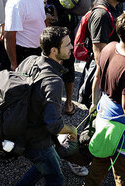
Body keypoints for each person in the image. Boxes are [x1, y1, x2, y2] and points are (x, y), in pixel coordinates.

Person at [85, 12, 125, 185]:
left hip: (105, 117)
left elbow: (97, 79)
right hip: (123, 130)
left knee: (100, 163)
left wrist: (94, 106)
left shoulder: (109, 47)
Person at [16, 26, 82, 185]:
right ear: (54, 50)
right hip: (37, 139)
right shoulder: (54, 81)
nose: (72, 47)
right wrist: (71, 130)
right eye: (67, 45)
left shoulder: (30, 61)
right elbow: (53, 124)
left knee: (43, 166)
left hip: (20, 128)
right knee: (56, 178)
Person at [4, 0, 50, 70]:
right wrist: (14, 65)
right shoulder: (18, 2)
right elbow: (9, 36)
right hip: (24, 56)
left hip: (39, 52)